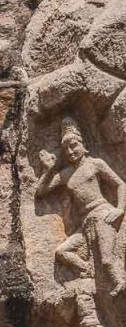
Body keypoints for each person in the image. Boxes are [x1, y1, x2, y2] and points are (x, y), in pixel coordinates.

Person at [36, 116, 126, 291]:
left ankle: (119, 282)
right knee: (61, 252)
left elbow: (120, 184)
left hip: (102, 215)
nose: (70, 151)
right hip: (85, 224)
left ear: (84, 145)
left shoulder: (96, 164)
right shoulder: (66, 174)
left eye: (73, 145)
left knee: (107, 260)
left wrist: (120, 209)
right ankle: (87, 270)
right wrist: (48, 170)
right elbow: (41, 191)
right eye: (66, 149)